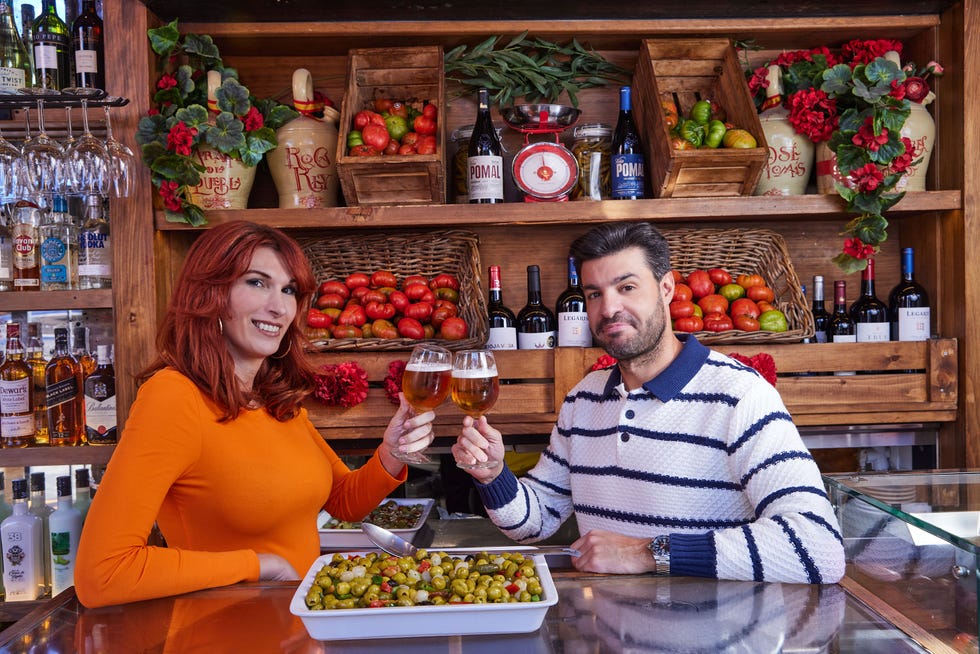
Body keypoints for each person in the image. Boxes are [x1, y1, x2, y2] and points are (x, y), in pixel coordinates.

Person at [452, 221, 845, 584]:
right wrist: (493, 474)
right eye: (594, 294)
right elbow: (535, 521)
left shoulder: (741, 395)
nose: (608, 309)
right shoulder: (583, 399)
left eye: (626, 287)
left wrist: (646, 552)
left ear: (667, 288)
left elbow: (818, 548)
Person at [75, 221, 435, 608]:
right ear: (210, 293)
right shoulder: (173, 397)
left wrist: (390, 452)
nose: (279, 306)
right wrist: (260, 566)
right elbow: (103, 573)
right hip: (226, 631)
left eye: (288, 290)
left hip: (294, 630)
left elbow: (343, 501)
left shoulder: (271, 399)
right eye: (256, 282)